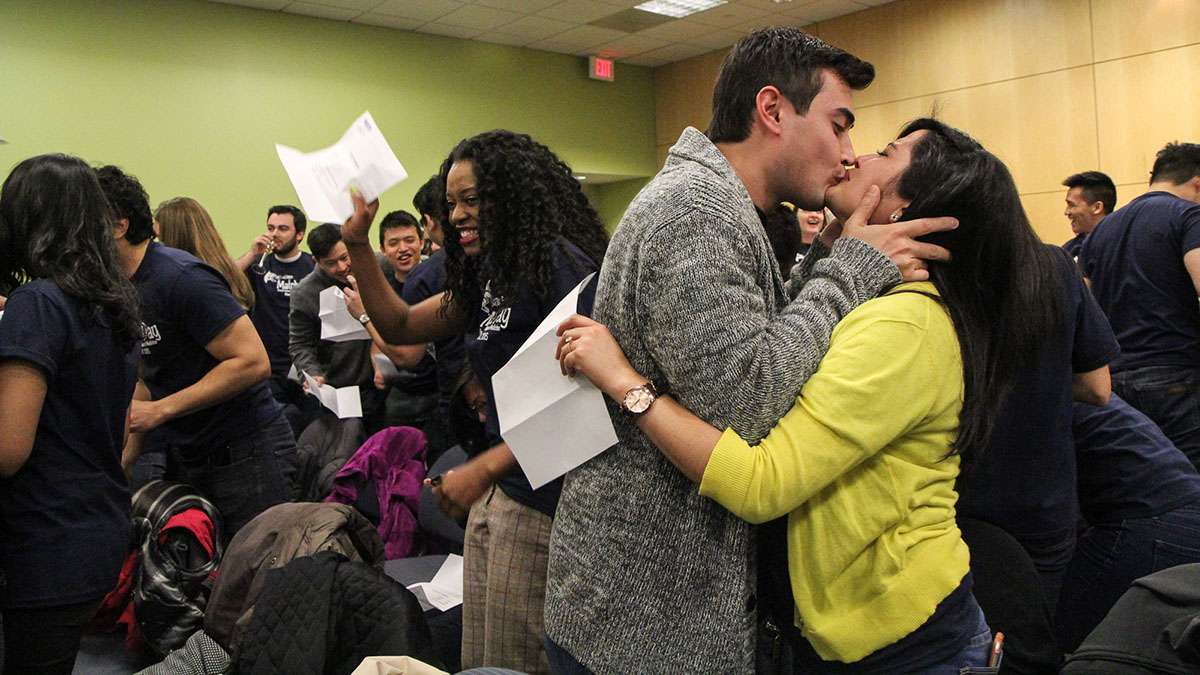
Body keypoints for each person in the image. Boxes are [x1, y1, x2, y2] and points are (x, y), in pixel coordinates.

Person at [554, 117, 1060, 672]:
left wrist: (626, 383)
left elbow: (760, 482)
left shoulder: (906, 325)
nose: (852, 157)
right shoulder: (876, 299)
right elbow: (784, 352)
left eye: (881, 153)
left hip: (897, 644)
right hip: (840, 632)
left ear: (901, 209)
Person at [543, 27, 955, 674]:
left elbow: (753, 342)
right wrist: (846, 269)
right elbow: (749, 402)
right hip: (645, 622)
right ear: (771, 111)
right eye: (840, 125)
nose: (849, 154)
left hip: (652, 603)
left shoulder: (721, 207)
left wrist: (826, 252)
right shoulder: (696, 215)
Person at [339, 130, 608, 674]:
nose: (458, 214)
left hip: (548, 501)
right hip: (502, 489)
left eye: (473, 199)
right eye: (452, 202)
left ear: (511, 196)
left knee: (514, 663)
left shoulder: (556, 263)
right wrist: (361, 244)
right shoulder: (492, 276)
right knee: (482, 659)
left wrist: (482, 469)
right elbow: (401, 324)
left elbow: (584, 398)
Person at [98, 165, 296, 539]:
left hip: (248, 452)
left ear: (118, 226)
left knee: (261, 570)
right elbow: (147, 372)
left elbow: (252, 361)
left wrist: (161, 410)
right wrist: (124, 460)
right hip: (193, 453)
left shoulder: (181, 277)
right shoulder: (124, 286)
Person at [0, 154, 142, 673]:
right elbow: (119, 421)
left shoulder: (37, 303)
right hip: (92, 530)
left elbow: (8, 449)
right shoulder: (112, 302)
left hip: (41, 539)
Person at [1082, 142, 1200, 468]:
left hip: (1115, 386)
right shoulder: (1189, 216)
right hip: (1177, 379)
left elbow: (1083, 309)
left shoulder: (1102, 230)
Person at [1056, 394, 1200, 651]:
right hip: (1175, 506)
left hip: (1150, 520)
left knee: (1061, 642)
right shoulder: (1074, 392)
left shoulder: (1040, 396)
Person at [403, 175, 465, 465]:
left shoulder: (425, 276)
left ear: (427, 223)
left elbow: (408, 354)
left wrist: (364, 315)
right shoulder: (491, 260)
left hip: (456, 395)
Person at [236, 205, 316, 433]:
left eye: (283, 228)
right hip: (267, 365)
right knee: (277, 428)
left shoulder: (312, 266)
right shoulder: (260, 264)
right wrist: (252, 253)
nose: (274, 234)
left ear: (299, 234)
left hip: (303, 364)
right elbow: (221, 280)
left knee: (307, 426)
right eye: (270, 228)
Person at [153, 197, 255, 310]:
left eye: (160, 239)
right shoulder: (222, 272)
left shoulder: (199, 282)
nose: (157, 246)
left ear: (176, 239)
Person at [1061, 171, 1116, 260]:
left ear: (1097, 207)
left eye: (1071, 205)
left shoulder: (1121, 246)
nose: (1066, 212)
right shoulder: (1068, 250)